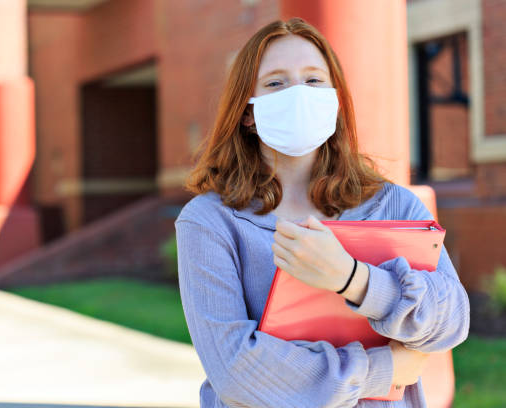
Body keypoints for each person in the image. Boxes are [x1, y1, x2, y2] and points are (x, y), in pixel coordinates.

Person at [174, 17, 470, 408]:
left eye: (313, 81)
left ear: (334, 100)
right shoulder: (209, 222)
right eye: (276, 83)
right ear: (247, 112)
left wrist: (353, 280)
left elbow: (452, 324)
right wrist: (384, 370)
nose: (298, 94)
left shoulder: (394, 205)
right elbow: (236, 372)